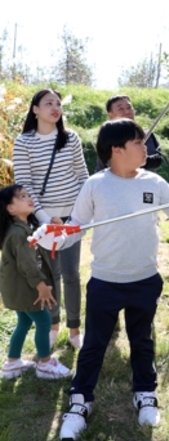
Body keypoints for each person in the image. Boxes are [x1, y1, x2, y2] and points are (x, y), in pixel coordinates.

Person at [31, 118, 169, 441]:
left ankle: (145, 393)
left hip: (145, 280)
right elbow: (75, 227)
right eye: (138, 142)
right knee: (94, 344)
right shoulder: (95, 185)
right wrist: (53, 237)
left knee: (142, 340)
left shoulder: (154, 182)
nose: (145, 147)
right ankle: (79, 403)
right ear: (117, 150)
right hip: (105, 282)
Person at [12, 89, 89, 349]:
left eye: (58, 103)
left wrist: (81, 214)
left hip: (72, 217)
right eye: (48, 103)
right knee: (52, 274)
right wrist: (45, 219)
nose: (55, 108)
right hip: (43, 220)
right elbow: (24, 184)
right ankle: (54, 324)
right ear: (35, 109)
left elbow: (83, 177)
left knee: (72, 274)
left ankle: (75, 329)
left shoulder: (71, 138)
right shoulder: (24, 142)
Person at [0, 185, 71, 380]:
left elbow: (44, 233)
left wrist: (56, 225)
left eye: (28, 195)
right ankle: (46, 364)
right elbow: (27, 265)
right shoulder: (19, 234)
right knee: (44, 321)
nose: (29, 198)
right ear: (10, 208)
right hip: (27, 288)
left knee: (23, 322)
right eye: (22, 197)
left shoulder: (21, 228)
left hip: (16, 288)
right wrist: (42, 287)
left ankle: (12, 363)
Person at [95, 95, 162, 172]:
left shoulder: (145, 134)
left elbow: (157, 160)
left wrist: (136, 160)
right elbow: (101, 167)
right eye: (120, 109)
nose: (127, 112)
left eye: (129, 107)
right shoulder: (107, 137)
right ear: (110, 115)